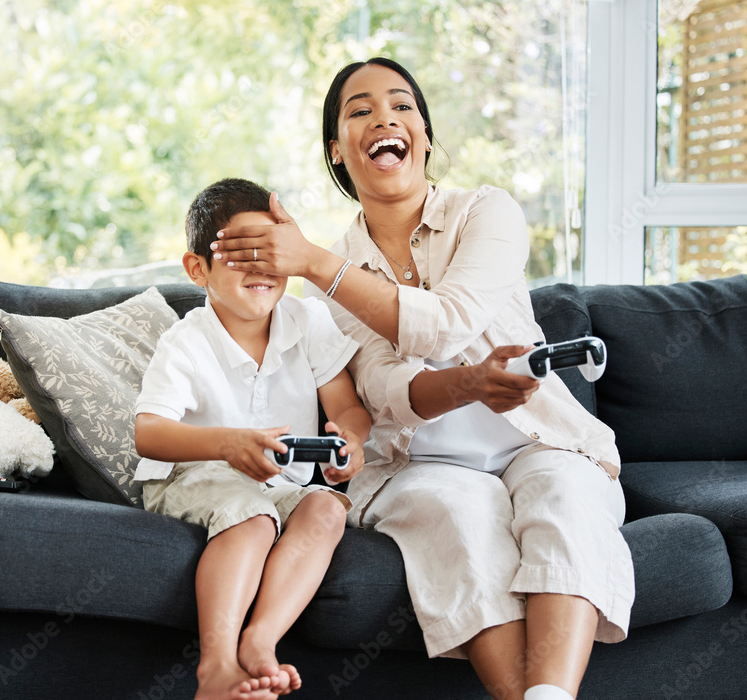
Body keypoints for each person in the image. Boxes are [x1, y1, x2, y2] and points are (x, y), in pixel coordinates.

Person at [210, 59, 634, 700]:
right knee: (457, 513)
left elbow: (450, 322)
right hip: (421, 464)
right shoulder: (334, 286)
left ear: (426, 136)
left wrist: (317, 264)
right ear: (338, 149)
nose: (384, 117)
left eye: (402, 106)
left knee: (566, 495)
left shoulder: (487, 213)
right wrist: (466, 384)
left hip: (537, 441)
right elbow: (385, 392)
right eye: (359, 110)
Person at [133, 178, 372, 700]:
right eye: (242, 254)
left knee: (328, 509)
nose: (263, 269)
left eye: (272, 253)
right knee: (253, 514)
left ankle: (260, 641)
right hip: (191, 475)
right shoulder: (187, 340)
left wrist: (350, 441)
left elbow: (349, 407)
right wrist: (224, 445)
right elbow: (147, 434)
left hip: (274, 484)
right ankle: (216, 667)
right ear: (198, 268)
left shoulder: (306, 320)